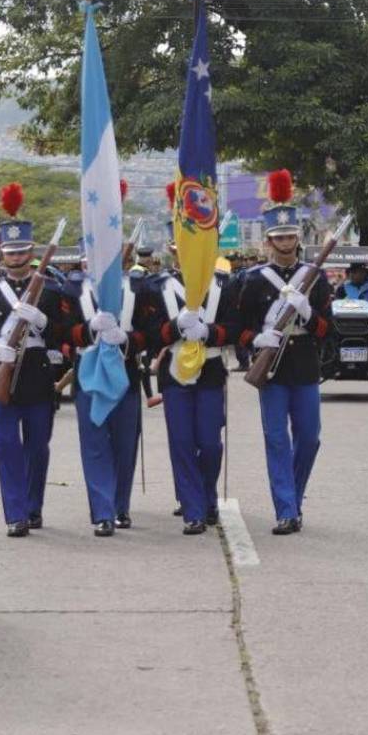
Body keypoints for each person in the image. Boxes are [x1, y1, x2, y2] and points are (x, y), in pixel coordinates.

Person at [237, 175, 333, 535]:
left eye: (290, 236)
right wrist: (257, 340)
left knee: (309, 438)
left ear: (298, 239)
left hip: (305, 364)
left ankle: (292, 496)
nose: (285, 243)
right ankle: (286, 509)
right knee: (276, 438)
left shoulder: (316, 277)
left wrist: (307, 314)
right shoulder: (253, 280)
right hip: (272, 368)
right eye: (279, 238)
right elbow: (239, 328)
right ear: (268, 241)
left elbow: (328, 328)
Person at [0, 186, 66, 537]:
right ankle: (15, 514)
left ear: (31, 252)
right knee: (7, 448)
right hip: (2, 376)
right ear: (2, 253)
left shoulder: (51, 289)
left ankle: (33, 506)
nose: (15, 258)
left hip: (38, 378)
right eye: (9, 252)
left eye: (21, 251)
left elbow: (63, 334)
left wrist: (42, 322)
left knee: (37, 448)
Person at [143, 223, 237, 535]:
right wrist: (173, 327)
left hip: (209, 371)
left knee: (210, 444)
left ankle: (206, 495)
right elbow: (150, 333)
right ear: (174, 250)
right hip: (174, 374)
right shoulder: (158, 286)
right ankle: (193, 510)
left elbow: (236, 328)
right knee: (181, 443)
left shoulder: (224, 284)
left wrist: (209, 333)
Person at [67, 246, 151, 537]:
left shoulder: (136, 288)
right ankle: (103, 512)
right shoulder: (72, 288)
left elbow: (150, 330)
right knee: (94, 445)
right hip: (89, 376)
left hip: (125, 374)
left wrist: (127, 339)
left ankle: (120, 506)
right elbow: (61, 331)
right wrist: (87, 331)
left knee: (124, 445)